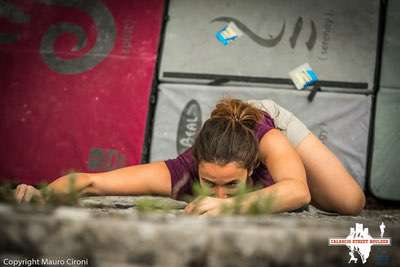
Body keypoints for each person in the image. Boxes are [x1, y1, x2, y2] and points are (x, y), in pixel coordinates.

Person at [14, 98, 365, 215]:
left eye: (232, 185)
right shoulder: (179, 174)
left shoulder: (269, 141)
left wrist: (229, 207)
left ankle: (278, 175)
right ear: (196, 167)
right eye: (210, 184)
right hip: (226, 138)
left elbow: (298, 192)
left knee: (349, 203)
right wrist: (42, 196)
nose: (219, 194)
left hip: (269, 122)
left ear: (252, 168)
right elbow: (92, 182)